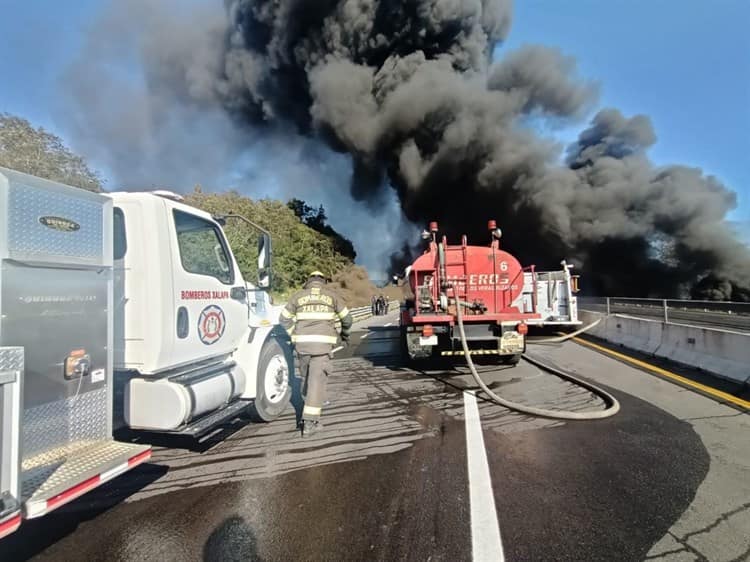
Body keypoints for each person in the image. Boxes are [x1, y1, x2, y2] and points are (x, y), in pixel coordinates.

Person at [280, 271, 352, 438]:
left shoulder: (297, 297)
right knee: (316, 384)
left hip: (302, 347)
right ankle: (310, 423)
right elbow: (347, 320)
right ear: (323, 282)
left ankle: (307, 411)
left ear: (308, 282)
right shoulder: (331, 297)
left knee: (306, 381)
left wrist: (294, 335)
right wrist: (345, 335)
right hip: (321, 348)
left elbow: (283, 319)